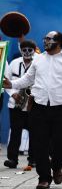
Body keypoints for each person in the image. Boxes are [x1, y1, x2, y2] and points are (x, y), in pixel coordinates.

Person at [2, 31, 62, 189]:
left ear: (58, 42)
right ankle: (44, 177)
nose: (45, 41)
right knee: (39, 144)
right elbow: (27, 79)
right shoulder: (38, 59)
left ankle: (57, 167)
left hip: (61, 108)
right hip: (38, 108)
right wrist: (11, 84)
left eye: (48, 39)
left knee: (60, 144)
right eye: (44, 38)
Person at [4, 40, 36, 169]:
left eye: (30, 50)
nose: (27, 52)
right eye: (24, 50)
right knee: (15, 133)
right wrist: (13, 94)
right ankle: (12, 159)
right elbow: (5, 81)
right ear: (21, 50)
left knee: (35, 133)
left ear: (34, 51)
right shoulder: (14, 63)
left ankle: (33, 160)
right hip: (15, 104)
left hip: (32, 105)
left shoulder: (37, 64)